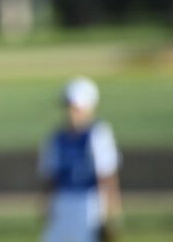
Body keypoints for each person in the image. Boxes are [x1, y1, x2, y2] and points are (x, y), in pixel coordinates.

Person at [37, 76, 122, 242]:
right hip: (62, 200)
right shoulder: (57, 137)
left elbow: (107, 175)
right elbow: (50, 175)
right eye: (69, 107)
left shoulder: (98, 134)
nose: (71, 113)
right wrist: (45, 204)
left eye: (76, 108)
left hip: (89, 201)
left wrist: (112, 212)